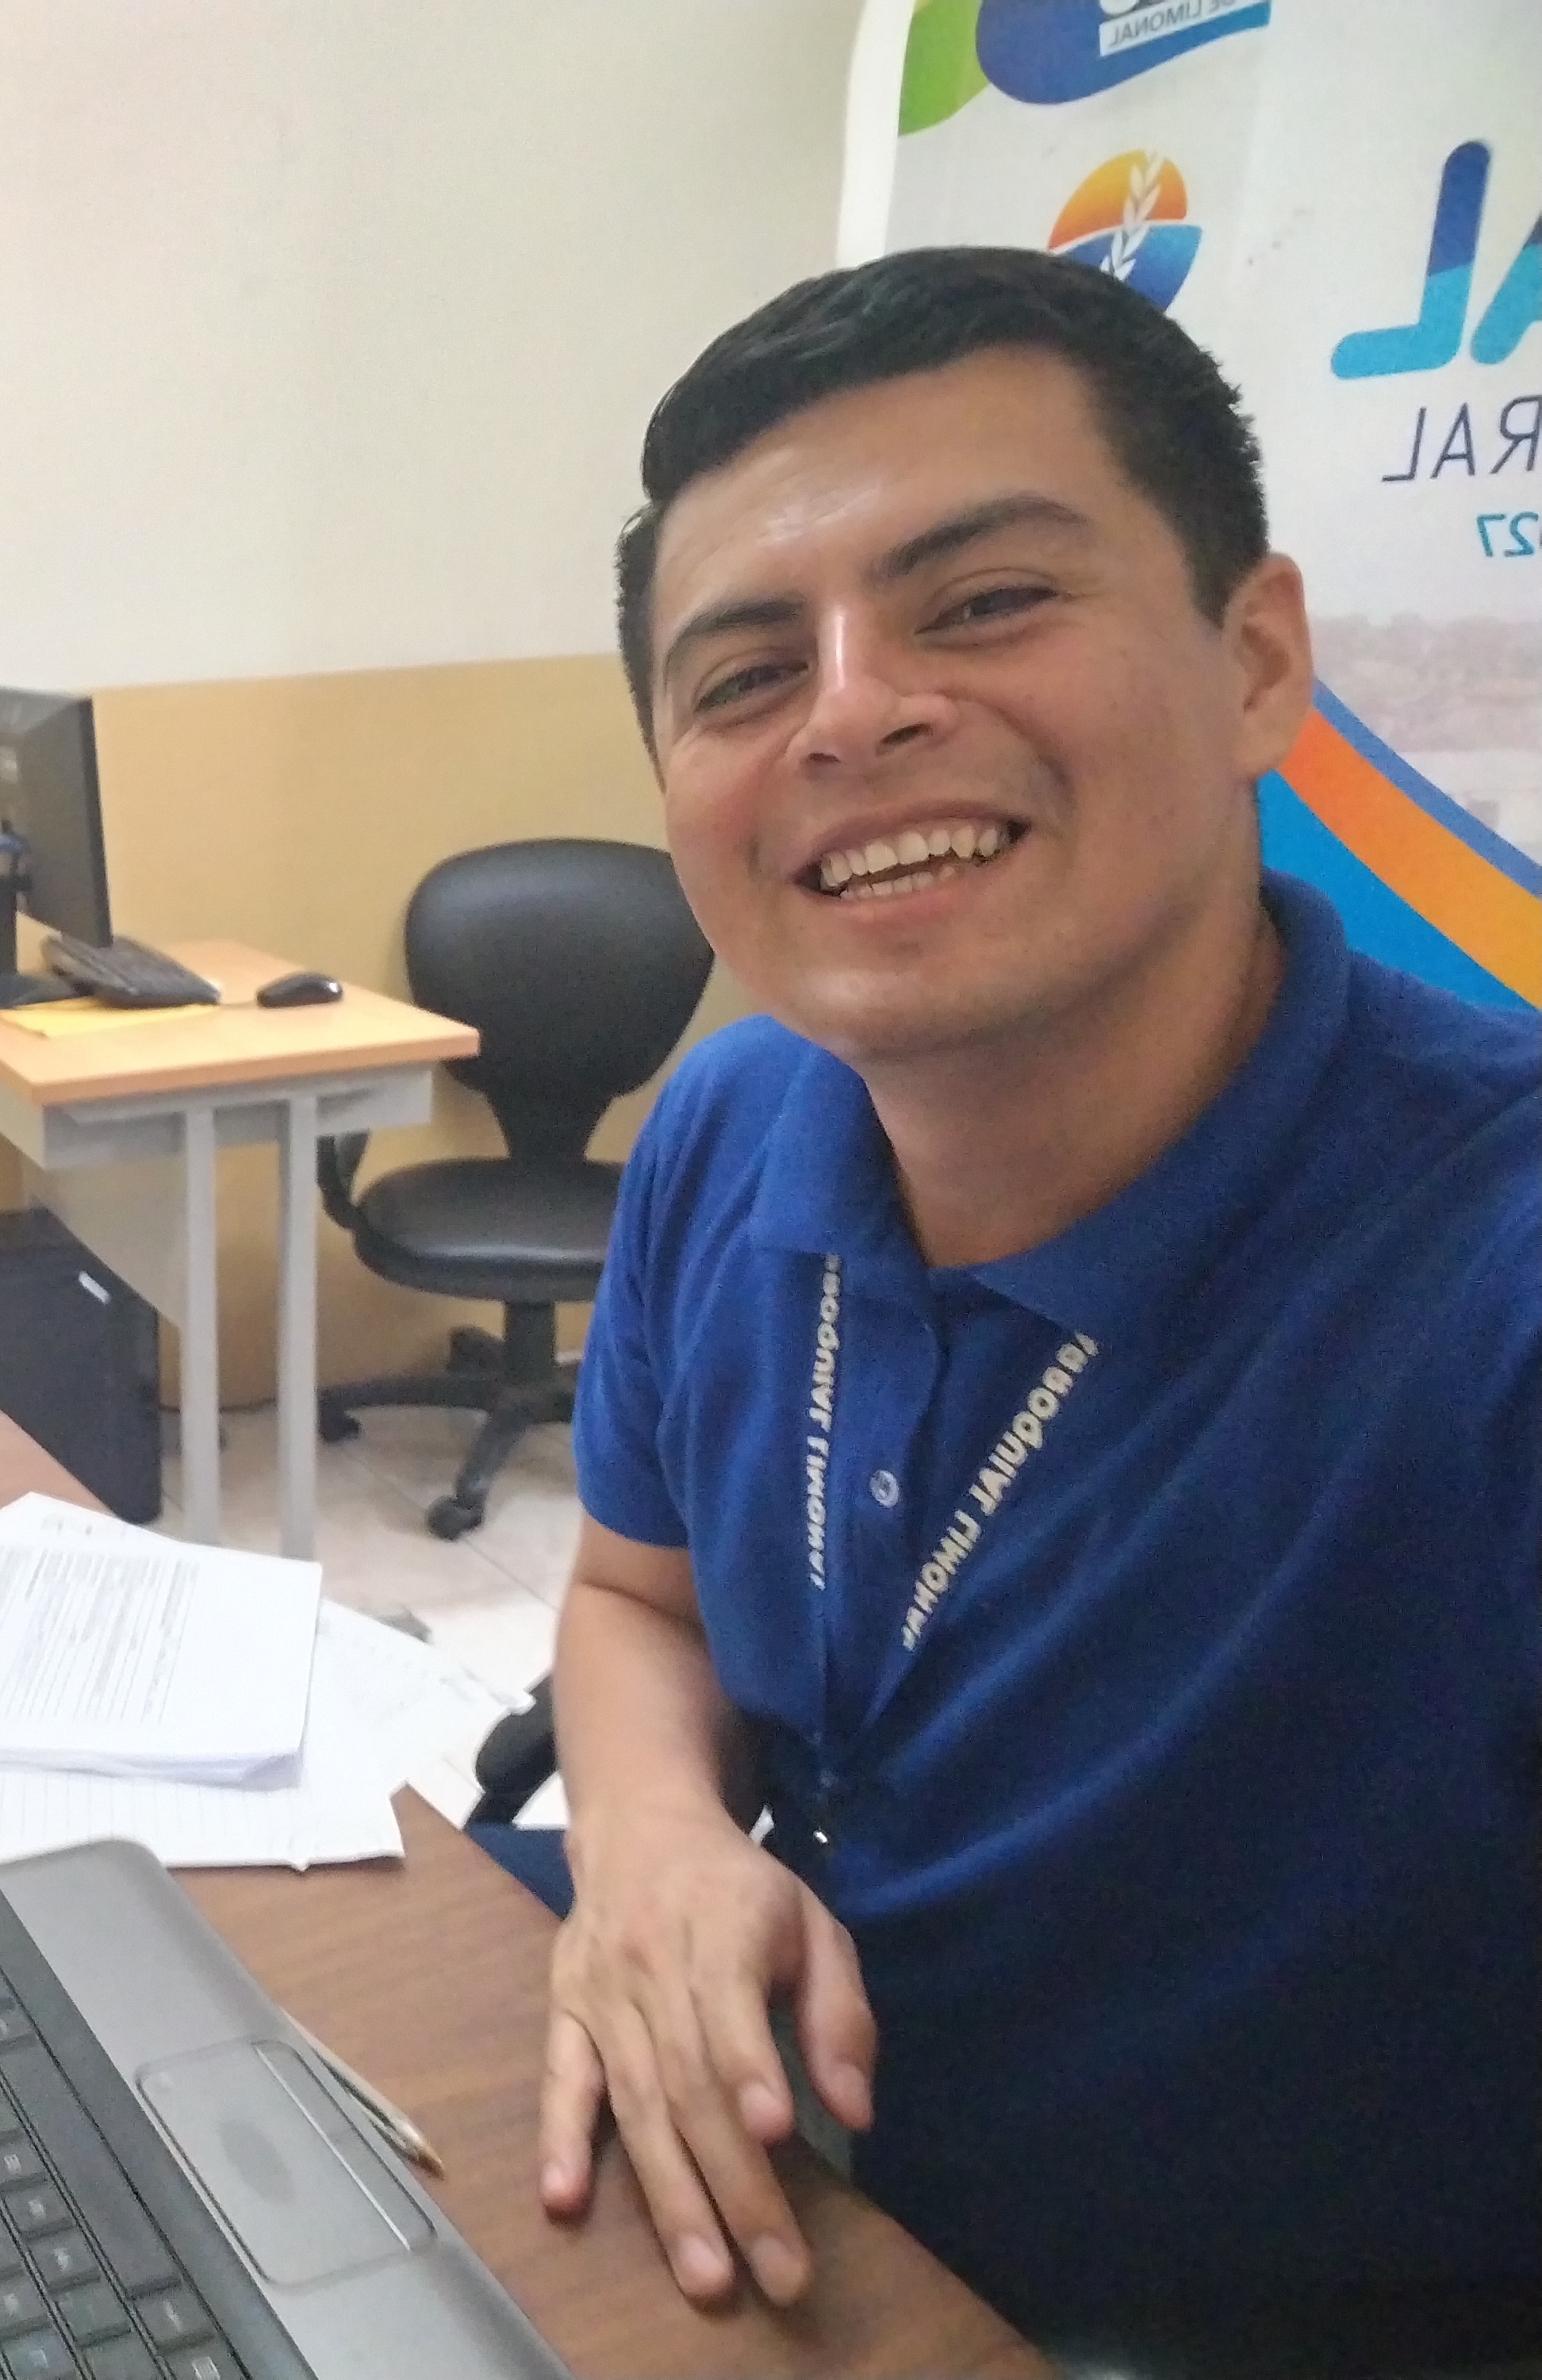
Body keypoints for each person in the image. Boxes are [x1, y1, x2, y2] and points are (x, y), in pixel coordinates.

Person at [534, 245, 1540, 2372]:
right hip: (786, 2212)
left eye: (983, 600)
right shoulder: (728, 1122)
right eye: (744, 675)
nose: (852, 711)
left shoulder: (1488, 1283)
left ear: (1255, 661)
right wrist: (650, 1836)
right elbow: (635, 1601)